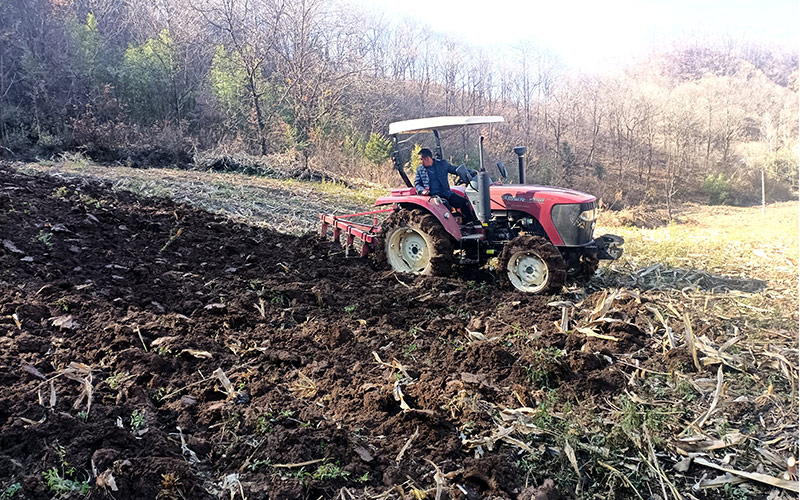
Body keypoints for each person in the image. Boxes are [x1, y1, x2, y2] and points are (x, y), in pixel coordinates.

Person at [414, 148, 480, 225]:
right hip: (432, 196)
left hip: (445, 192)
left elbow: (455, 169)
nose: (420, 162)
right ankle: (452, 227)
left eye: (421, 159)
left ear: (428, 158)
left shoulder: (442, 164)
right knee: (445, 206)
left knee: (464, 202)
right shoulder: (420, 169)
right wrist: (422, 190)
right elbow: (417, 183)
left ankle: (470, 222)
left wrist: (471, 172)